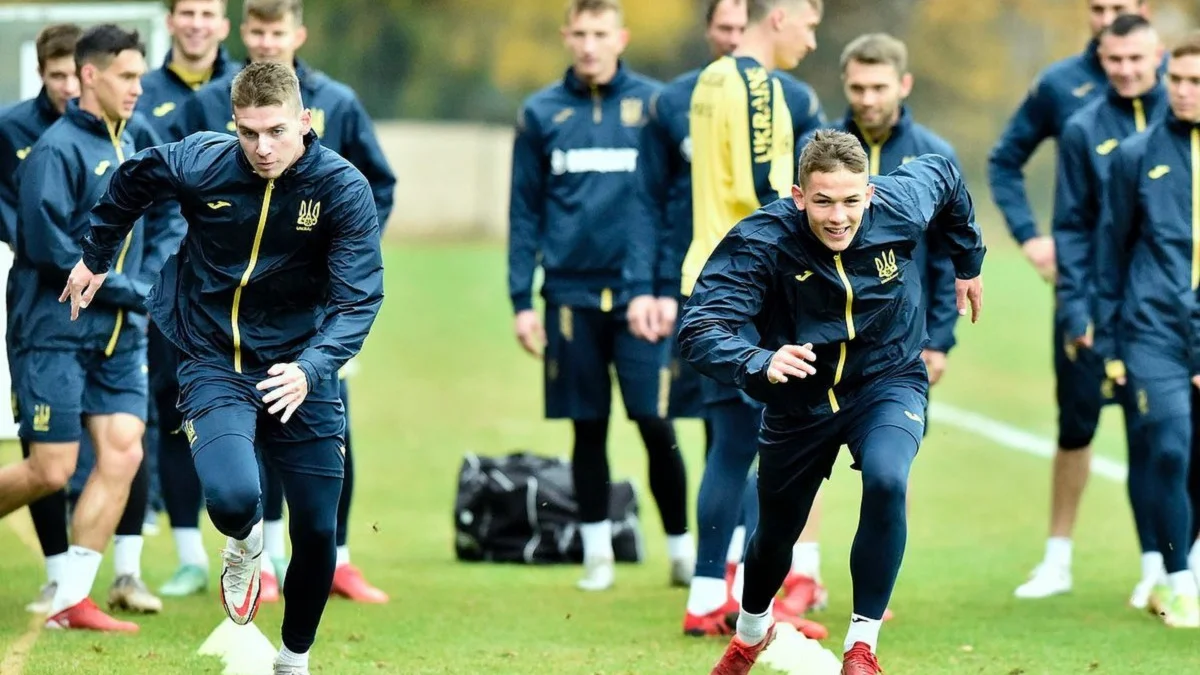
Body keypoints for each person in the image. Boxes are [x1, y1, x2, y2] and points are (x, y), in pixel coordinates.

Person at [66, 61, 385, 674]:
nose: (262, 148)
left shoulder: (342, 188)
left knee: (317, 529)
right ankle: (243, 544)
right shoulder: (202, 160)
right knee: (236, 498)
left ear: (305, 121)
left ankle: (293, 659)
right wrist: (97, 256)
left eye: (277, 131)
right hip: (213, 358)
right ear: (232, 125)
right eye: (248, 132)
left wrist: (312, 367)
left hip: (301, 370)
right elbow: (133, 178)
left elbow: (358, 299)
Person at [679, 130, 985, 674]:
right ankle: (751, 634)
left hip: (888, 379)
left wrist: (968, 261)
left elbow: (946, 174)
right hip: (799, 399)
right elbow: (700, 327)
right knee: (776, 533)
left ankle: (861, 647)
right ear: (799, 196)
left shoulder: (900, 203)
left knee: (888, 478)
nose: (838, 217)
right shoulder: (762, 240)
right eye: (822, 202)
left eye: (850, 201)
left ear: (870, 193)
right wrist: (758, 360)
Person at [173, 0, 396, 603]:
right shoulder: (212, 103)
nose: (267, 40)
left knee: (321, 424)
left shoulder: (338, 102)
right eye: (258, 30)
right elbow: (174, 192)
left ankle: (337, 557)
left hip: (314, 314)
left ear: (299, 34)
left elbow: (377, 185)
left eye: (278, 30)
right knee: (238, 438)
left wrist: (341, 253)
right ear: (242, 32)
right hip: (227, 314)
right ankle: (257, 553)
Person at [629, 0, 828, 635]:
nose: (811, 40)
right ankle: (750, 601)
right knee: (774, 445)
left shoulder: (708, 82)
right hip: (755, 289)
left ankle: (707, 597)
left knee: (730, 445)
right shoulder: (760, 88)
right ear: (780, 17)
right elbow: (767, 191)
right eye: (809, 24)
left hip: (705, 280)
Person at [508, 0, 691, 592]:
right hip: (570, 296)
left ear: (621, 38)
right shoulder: (540, 112)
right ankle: (596, 556)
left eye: (600, 33)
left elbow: (675, 203)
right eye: (580, 33)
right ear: (567, 36)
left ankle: (683, 552)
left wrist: (666, 286)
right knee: (587, 428)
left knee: (654, 422)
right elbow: (524, 212)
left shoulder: (656, 106)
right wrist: (521, 300)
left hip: (643, 299)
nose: (590, 45)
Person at [787, 31, 966, 622]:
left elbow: (945, 256)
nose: (867, 98)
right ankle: (803, 575)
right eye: (858, 87)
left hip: (898, 342)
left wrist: (940, 339)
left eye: (879, 87)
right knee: (804, 457)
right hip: (821, 334)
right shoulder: (818, 151)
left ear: (903, 85)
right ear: (845, 85)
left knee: (889, 466)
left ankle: (875, 585)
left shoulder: (930, 155)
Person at [0, 24, 170, 633]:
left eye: (140, 75)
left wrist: (150, 278)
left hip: (119, 334)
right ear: (90, 76)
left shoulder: (141, 140)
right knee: (50, 469)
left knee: (124, 450)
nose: (138, 87)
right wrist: (136, 290)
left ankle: (71, 601)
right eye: (127, 76)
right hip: (53, 330)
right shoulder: (55, 150)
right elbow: (50, 250)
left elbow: (172, 215)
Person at [987, 0, 1150, 599]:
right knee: (1077, 423)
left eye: (1120, 7)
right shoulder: (1061, 86)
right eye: (1098, 7)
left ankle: (1164, 565)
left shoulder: (1175, 90)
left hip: (1157, 295)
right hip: (1084, 288)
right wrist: (1032, 238)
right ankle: (1058, 558)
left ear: (1144, 12)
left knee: (1159, 428)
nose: (1107, 17)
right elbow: (1005, 160)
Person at [625, 0, 754, 600]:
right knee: (681, 420)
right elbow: (647, 200)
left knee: (745, 433)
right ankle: (703, 563)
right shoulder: (673, 103)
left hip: (761, 292)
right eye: (724, 28)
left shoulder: (786, 101)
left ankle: (736, 569)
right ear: (708, 31)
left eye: (743, 29)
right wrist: (647, 287)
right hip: (689, 287)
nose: (733, 39)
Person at [1055, 13, 1169, 609]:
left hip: (1181, 303)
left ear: (1159, 55)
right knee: (1144, 434)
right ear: (1101, 59)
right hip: (1119, 306)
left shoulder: (1185, 117)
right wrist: (1078, 310)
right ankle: (1157, 567)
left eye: (1135, 59)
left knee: (1178, 436)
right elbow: (1072, 227)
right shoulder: (1084, 129)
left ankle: (1181, 562)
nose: (1125, 70)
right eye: (1114, 60)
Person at [1092, 30, 1200, 629]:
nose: (1182, 91)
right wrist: (1110, 344)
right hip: (1151, 330)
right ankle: (1178, 582)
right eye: (1177, 79)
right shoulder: (1135, 155)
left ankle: (1188, 563)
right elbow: (1111, 253)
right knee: (1168, 445)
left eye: (1195, 81)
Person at [134, 0, 241, 600]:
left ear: (224, 24)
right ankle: (188, 556)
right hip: (171, 286)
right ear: (170, 20)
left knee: (258, 411)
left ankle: (262, 552)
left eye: (209, 12)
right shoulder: (140, 92)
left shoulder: (249, 90)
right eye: (188, 11)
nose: (198, 23)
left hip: (244, 289)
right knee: (174, 412)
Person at [0, 23, 81, 615]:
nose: (69, 86)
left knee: (119, 439)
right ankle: (58, 574)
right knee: (44, 448)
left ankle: (118, 571)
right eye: (58, 75)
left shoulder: (117, 130)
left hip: (104, 301)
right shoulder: (11, 129)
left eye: (77, 74)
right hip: (36, 301)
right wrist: (41, 245)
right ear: (41, 72)